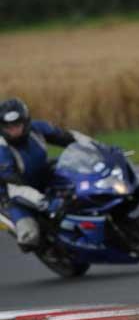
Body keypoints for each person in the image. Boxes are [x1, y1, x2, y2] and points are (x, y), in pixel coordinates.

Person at [0, 98, 90, 251]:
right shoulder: (2, 148)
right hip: (16, 192)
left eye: (17, 126)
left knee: (86, 189)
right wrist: (45, 203)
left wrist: (99, 148)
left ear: (26, 122)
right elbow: (15, 184)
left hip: (44, 176)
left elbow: (68, 137)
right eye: (9, 128)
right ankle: (48, 247)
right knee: (29, 237)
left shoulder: (38, 128)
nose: (14, 130)